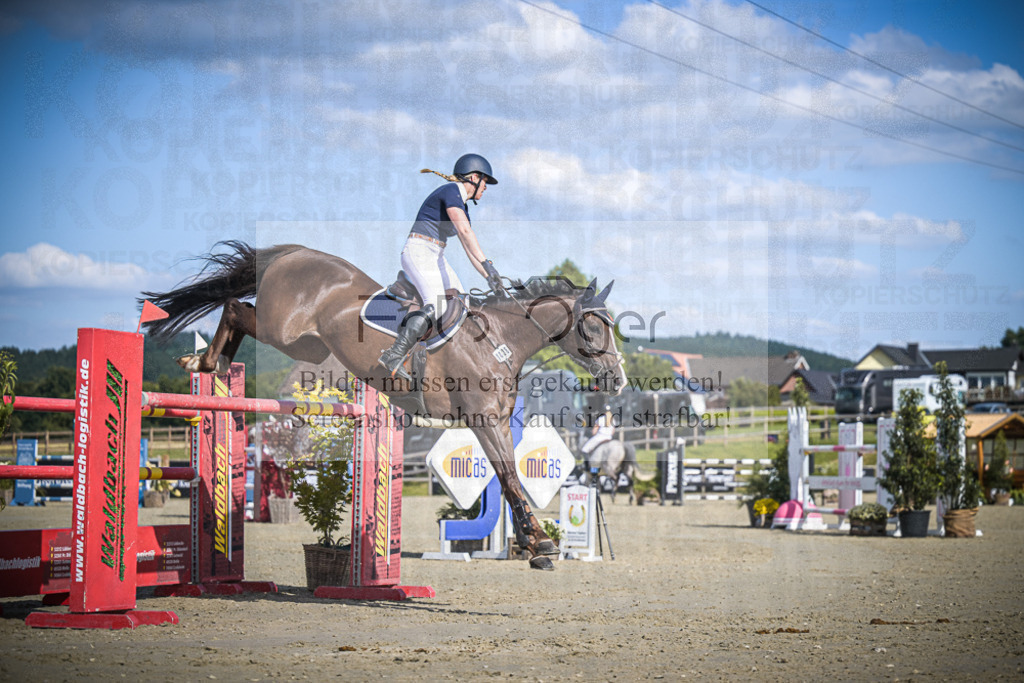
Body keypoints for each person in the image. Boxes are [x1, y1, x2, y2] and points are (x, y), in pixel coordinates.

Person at [378, 153, 505, 381]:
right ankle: (394, 354)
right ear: (474, 177)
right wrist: (487, 264)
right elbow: (466, 234)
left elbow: (468, 249)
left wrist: (490, 276)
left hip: (436, 253)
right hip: (419, 250)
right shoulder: (451, 191)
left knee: (461, 301)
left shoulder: (463, 206)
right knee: (436, 303)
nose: (485, 188)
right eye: (485, 182)